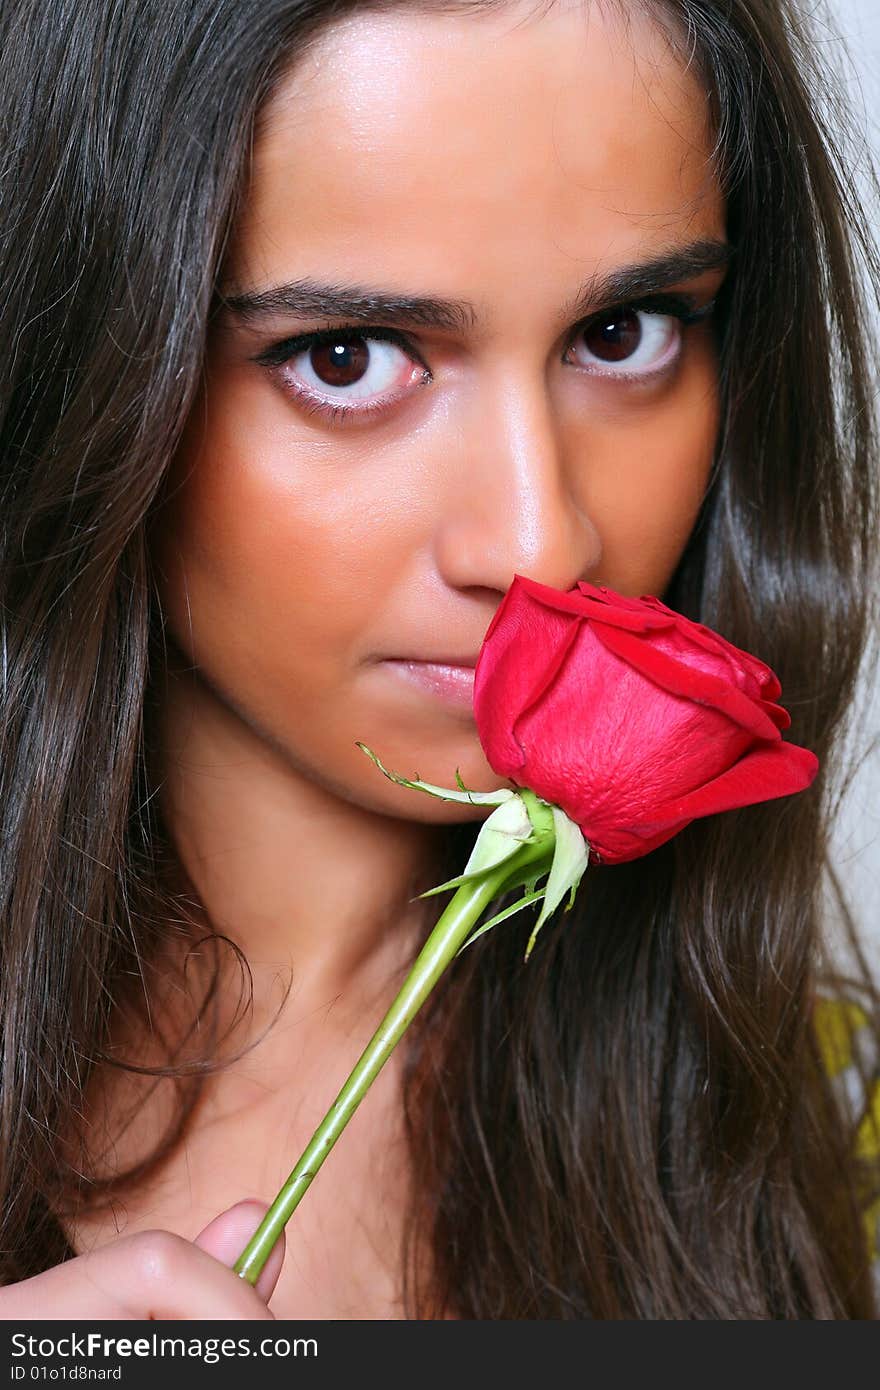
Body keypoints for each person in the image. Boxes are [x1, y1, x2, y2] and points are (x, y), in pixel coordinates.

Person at [1, 0, 878, 1320]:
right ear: (92, 373)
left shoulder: (824, 1116)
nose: (542, 534)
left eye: (626, 331)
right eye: (346, 358)